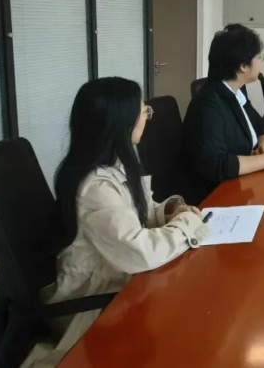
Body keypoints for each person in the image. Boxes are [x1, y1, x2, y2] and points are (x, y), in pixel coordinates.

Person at [24, 77, 209, 368]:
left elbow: (140, 209)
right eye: (143, 111)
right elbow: (140, 252)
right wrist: (186, 226)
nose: (147, 116)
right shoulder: (95, 187)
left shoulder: (116, 162)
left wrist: (169, 210)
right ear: (121, 123)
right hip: (93, 298)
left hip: (116, 275)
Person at [183, 25, 264, 204]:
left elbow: (261, 124)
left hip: (244, 183)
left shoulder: (236, 92)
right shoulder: (209, 104)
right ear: (243, 66)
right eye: (259, 57)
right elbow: (216, 165)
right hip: (219, 196)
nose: (261, 62)